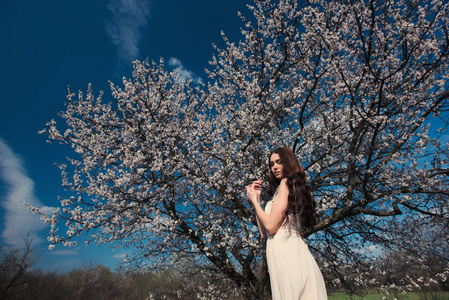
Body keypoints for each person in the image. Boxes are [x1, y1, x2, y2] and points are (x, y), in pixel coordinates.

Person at [246, 147, 327, 299]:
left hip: (286, 249)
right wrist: (256, 200)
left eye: (279, 162)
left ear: (288, 162)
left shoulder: (286, 183)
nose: (274, 167)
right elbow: (264, 232)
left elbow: (270, 227)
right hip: (280, 248)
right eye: (271, 164)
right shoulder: (285, 186)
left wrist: (255, 203)